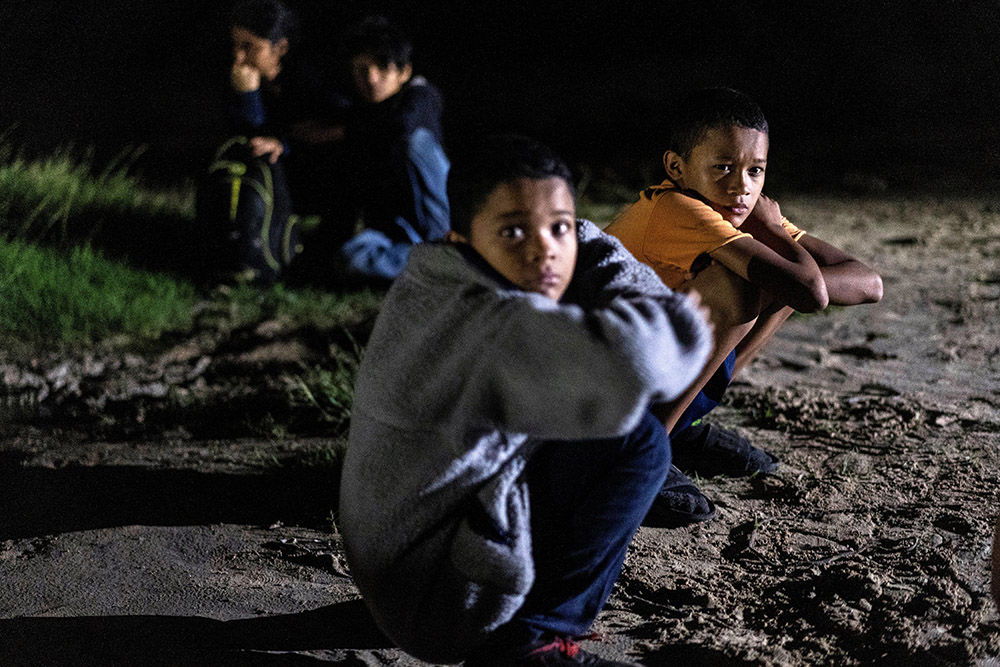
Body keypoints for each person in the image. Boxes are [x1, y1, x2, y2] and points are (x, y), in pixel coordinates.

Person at [339, 135, 712, 665]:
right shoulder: (497, 324)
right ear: (462, 237)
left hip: (398, 569)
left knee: (604, 418)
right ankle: (531, 642)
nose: (544, 250)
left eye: (559, 228)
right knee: (639, 444)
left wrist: (563, 233)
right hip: (440, 602)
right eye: (513, 231)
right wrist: (676, 321)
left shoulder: (434, 273)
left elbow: (577, 252)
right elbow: (646, 362)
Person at [605, 87, 883, 525]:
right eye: (723, 168)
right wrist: (774, 232)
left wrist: (782, 251)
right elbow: (811, 291)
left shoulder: (735, 209)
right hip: (600, 387)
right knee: (749, 284)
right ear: (676, 167)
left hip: (648, 374)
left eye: (756, 171)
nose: (742, 187)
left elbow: (869, 282)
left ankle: (680, 430)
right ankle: (638, 454)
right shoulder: (676, 208)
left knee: (777, 278)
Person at [291, 14, 451, 285]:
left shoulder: (420, 95)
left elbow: (402, 125)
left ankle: (443, 254)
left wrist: (340, 133)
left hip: (436, 223)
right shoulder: (359, 111)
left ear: (404, 71)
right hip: (395, 233)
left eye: (382, 69)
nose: (372, 79)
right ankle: (437, 266)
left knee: (414, 143)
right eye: (362, 70)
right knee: (349, 258)